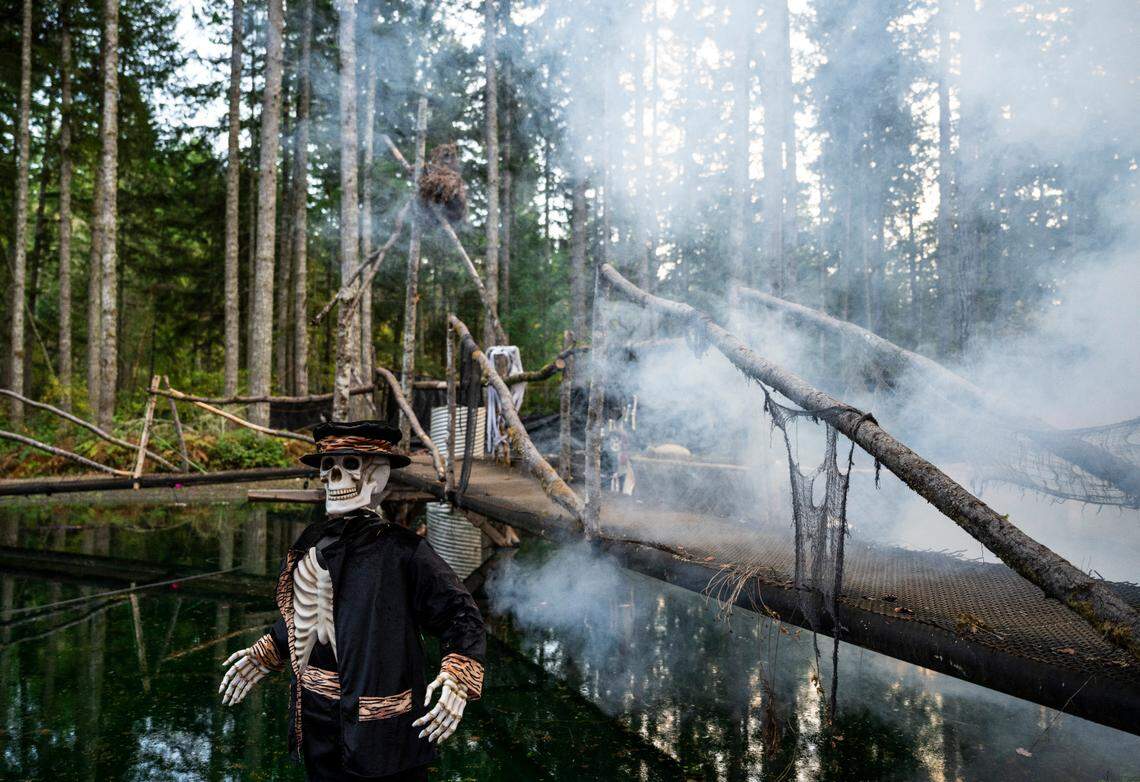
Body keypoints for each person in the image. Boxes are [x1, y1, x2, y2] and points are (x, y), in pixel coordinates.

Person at [219, 420, 486, 781]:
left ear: (377, 476)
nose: (334, 478)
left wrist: (458, 676)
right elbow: (308, 609)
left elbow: (462, 615)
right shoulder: (313, 540)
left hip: (381, 727)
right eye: (328, 468)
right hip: (316, 719)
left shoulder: (403, 551)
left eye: (350, 466)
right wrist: (272, 648)